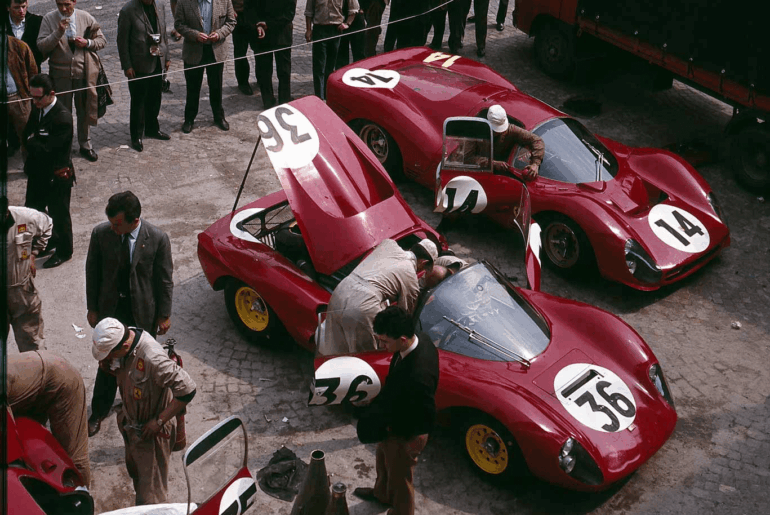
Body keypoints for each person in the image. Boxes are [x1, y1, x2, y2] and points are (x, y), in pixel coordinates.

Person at [85, 191, 174, 437]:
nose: (113, 228)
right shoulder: (101, 234)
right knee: (107, 362)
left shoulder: (157, 238)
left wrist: (164, 315)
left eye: (117, 224)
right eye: (111, 223)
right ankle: (99, 411)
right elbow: (92, 272)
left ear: (134, 220)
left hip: (142, 314)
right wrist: (92, 308)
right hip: (111, 311)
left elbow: (164, 280)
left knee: (141, 364)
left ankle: (136, 408)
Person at [91, 318, 196, 505]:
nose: (108, 359)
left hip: (152, 436)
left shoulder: (152, 357)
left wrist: (159, 421)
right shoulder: (128, 338)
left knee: (152, 497)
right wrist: (111, 369)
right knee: (138, 476)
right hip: (132, 426)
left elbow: (188, 389)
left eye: (109, 355)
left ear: (123, 345)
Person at [354, 306, 439, 515]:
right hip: (392, 426)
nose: (381, 345)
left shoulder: (418, 375)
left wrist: (392, 430)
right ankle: (382, 494)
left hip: (406, 433)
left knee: (401, 480)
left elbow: (422, 413)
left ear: (402, 339)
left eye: (384, 341)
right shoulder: (418, 340)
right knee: (383, 460)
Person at [318, 238, 437, 356]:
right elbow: (402, 316)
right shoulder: (410, 276)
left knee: (333, 349)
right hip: (361, 307)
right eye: (424, 269)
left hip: (340, 291)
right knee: (364, 358)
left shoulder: (388, 244)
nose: (421, 271)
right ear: (424, 262)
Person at [37, 0, 106, 162]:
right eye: (59, 4)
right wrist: (58, 33)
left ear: (74, 1)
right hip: (60, 76)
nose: (63, 8)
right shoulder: (49, 19)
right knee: (63, 114)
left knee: (84, 110)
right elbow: (41, 46)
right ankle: (63, 148)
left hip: (83, 75)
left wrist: (87, 43)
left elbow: (102, 41)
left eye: (67, 4)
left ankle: (85, 145)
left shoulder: (85, 17)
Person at [8, 351, 91, 486]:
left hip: (62, 383)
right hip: (30, 391)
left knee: (73, 456)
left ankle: (82, 497)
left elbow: (9, 442)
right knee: (32, 452)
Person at [23, 73, 74, 269]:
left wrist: (33, 142)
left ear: (51, 94)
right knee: (34, 209)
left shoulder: (62, 118)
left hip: (56, 175)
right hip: (38, 173)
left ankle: (64, 250)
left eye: (38, 97)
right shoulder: (38, 109)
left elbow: (49, 150)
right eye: (32, 97)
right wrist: (34, 140)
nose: (34, 101)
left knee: (59, 213)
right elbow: (27, 133)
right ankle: (50, 239)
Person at [117, 0, 172, 152]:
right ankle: (136, 135)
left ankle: (152, 128)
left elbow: (164, 32)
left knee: (155, 97)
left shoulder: (159, 6)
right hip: (138, 64)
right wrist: (127, 65)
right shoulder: (128, 11)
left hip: (157, 60)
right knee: (138, 101)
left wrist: (167, 57)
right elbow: (122, 41)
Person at [175, 0, 236, 133]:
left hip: (216, 50)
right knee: (192, 87)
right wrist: (195, 35)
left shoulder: (224, 1)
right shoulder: (184, 2)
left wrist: (219, 34)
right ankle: (189, 119)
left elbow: (231, 22)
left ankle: (218, 117)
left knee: (216, 85)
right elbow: (179, 24)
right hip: (194, 50)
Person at [3, 201, 52, 352]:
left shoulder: (26, 217)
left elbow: (48, 224)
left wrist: (34, 253)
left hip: (22, 293)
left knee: (32, 346)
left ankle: (39, 374)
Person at [304, 0, 359, 100]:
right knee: (319, 67)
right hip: (319, 29)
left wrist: (347, 23)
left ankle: (327, 95)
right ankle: (319, 98)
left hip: (336, 29)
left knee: (330, 66)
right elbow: (309, 11)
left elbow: (354, 8)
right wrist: (308, 29)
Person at [247, 0, 296, 109]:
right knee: (264, 70)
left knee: (283, 69)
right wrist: (257, 25)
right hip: (263, 35)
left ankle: (284, 97)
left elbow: (289, 13)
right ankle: (269, 100)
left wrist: (266, 24)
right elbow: (249, 7)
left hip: (281, 34)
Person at [486, 104, 544, 180]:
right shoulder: (476, 131)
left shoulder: (510, 130)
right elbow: (467, 157)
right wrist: (492, 163)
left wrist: (535, 163)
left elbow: (537, 140)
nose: (500, 132)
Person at [5, 35, 38, 157]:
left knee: (26, 134)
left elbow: (33, 72)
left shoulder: (20, 46)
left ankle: (30, 165)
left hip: (19, 97)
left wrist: (32, 95)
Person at [5, 0, 45, 68]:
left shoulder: (37, 22)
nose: (21, 11)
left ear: (27, 3)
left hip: (31, 71)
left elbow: (43, 50)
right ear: (8, 8)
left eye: (23, 7)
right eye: (16, 8)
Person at [231, 0, 257, 95]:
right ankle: (243, 83)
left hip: (256, 15)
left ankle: (262, 79)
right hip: (239, 16)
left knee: (260, 50)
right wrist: (230, 9)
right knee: (240, 52)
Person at [335, 4, 365, 69]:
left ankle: (359, 73)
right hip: (341, 19)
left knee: (359, 52)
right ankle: (341, 74)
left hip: (357, 18)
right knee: (341, 53)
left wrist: (364, 8)